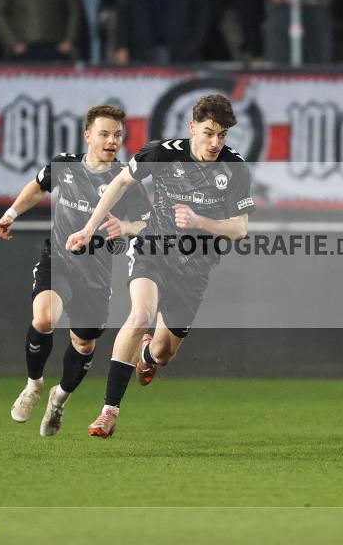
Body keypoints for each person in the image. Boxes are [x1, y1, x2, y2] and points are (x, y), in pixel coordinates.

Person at [67, 94, 255, 438]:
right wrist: (88, 227)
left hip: (195, 267)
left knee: (164, 353)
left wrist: (201, 222)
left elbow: (240, 228)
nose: (215, 142)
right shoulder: (162, 153)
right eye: (209, 132)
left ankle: (147, 355)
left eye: (222, 135)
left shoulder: (235, 167)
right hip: (152, 249)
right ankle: (109, 411)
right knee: (140, 315)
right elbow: (120, 182)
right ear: (192, 127)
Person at [0, 105, 151, 438]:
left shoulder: (125, 180)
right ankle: (33, 385)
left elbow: (147, 222)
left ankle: (58, 400)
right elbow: (37, 186)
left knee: (84, 343)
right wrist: (11, 213)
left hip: (96, 273)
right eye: (105, 134)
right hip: (60, 260)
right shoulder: (65, 166)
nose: (112, 141)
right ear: (88, 136)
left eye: (118, 135)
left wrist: (127, 226)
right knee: (44, 318)